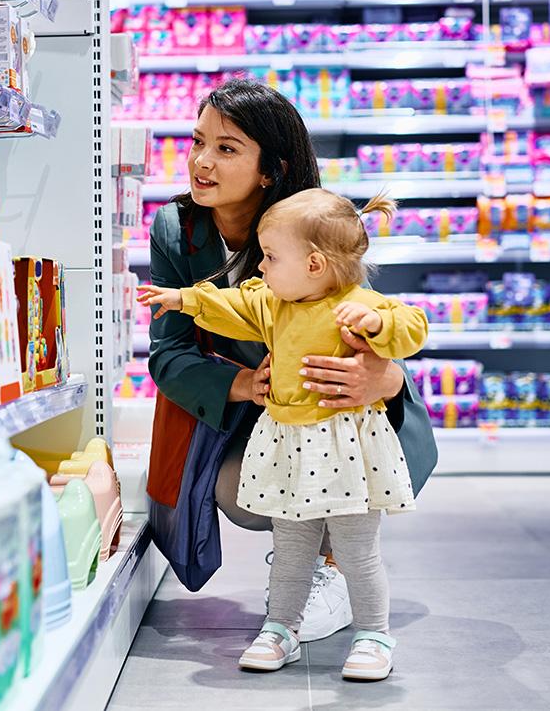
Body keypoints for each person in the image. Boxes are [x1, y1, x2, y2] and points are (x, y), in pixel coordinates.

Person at [144, 79, 437, 644]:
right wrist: (241, 385)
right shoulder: (177, 231)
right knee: (238, 491)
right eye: (197, 140)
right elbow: (170, 351)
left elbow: (380, 320)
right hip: (269, 407)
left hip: (348, 406)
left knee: (350, 486)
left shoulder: (311, 222)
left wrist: (387, 375)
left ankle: (335, 570)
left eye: (227, 149)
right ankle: (305, 559)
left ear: (269, 170)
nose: (202, 162)